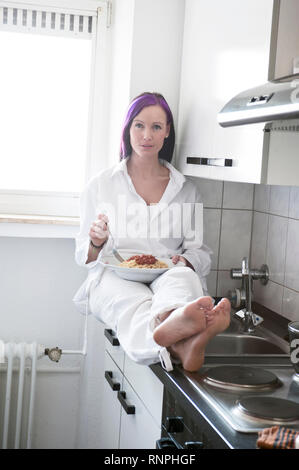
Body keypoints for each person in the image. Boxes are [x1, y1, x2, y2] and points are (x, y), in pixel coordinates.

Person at [73, 92, 231, 372]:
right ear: (128, 128)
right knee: (135, 303)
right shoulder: (101, 184)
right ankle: (179, 342)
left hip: (165, 270)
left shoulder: (185, 189)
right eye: (139, 125)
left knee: (184, 280)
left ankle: (180, 341)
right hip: (115, 273)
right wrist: (96, 242)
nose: (147, 135)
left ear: (167, 131)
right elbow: (82, 254)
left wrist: (187, 261)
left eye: (156, 127)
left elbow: (199, 252)